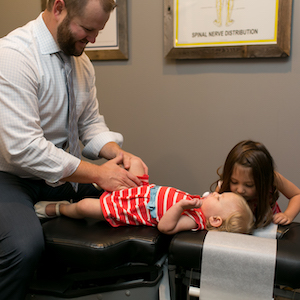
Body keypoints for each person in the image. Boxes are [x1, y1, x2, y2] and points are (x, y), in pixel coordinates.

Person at [0, 0, 147, 299]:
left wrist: (118, 156)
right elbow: (23, 149)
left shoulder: (80, 62)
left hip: (61, 176)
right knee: (24, 248)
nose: (92, 39)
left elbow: (90, 124)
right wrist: (98, 174)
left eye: (99, 31)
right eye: (88, 28)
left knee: (136, 200)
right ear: (59, 8)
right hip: (11, 177)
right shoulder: (13, 56)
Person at [35, 157, 254, 235]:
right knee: (135, 162)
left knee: (84, 207)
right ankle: (100, 179)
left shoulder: (194, 220)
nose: (215, 195)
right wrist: (217, 194)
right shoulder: (202, 206)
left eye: (219, 199)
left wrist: (180, 207)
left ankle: (59, 208)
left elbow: (165, 227)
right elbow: (213, 194)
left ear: (215, 220)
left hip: (130, 209)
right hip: (139, 193)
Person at [212, 140, 300, 228]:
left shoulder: (272, 178)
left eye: (249, 185)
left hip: (267, 232)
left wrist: (288, 215)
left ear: (263, 180)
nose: (240, 190)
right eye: (234, 182)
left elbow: (297, 195)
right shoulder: (223, 187)